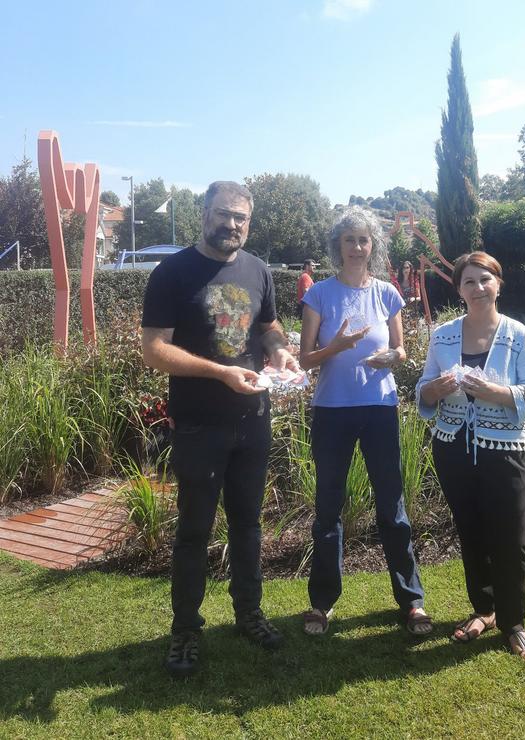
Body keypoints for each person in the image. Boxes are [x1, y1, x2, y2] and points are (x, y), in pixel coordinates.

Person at [141, 181, 299, 677]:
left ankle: (248, 613)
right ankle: (185, 629)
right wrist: (220, 372)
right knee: (193, 531)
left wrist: (278, 350)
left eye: (241, 219)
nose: (232, 225)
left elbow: (268, 326)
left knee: (248, 525)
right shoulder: (172, 273)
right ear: (204, 213)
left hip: (253, 420)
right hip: (198, 425)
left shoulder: (258, 271)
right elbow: (154, 350)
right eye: (224, 215)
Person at [299, 206, 432, 637]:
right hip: (333, 411)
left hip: (379, 407)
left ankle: (411, 600)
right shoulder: (319, 294)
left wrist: (393, 357)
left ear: (372, 245)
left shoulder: (387, 293)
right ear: (337, 246)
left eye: (364, 240)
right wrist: (336, 345)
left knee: (392, 506)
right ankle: (322, 604)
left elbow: (402, 350)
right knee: (328, 508)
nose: (357, 247)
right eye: (349, 240)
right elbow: (305, 359)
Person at [415, 251, 525, 659]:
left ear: (498, 284)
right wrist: (433, 390)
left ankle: (513, 623)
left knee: (510, 538)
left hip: (505, 449)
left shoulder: (518, 335)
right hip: (453, 446)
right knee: (470, 533)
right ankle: (484, 610)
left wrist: (495, 393)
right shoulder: (444, 336)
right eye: (469, 281)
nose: (478, 288)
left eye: (485, 279)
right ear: (459, 289)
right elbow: (422, 389)